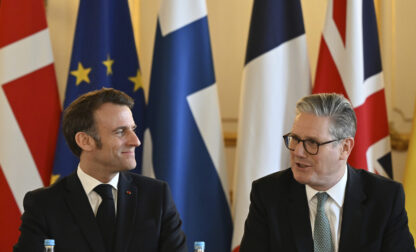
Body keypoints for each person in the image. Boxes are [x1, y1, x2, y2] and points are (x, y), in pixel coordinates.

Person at [14, 88, 187, 252]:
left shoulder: (157, 196)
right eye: (120, 131)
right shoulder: (44, 204)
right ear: (85, 141)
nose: (135, 141)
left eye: (132, 129)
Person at [239, 93, 415, 252]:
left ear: (345, 148)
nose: (298, 152)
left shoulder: (385, 198)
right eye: (295, 139)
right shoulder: (268, 194)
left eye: (312, 143)